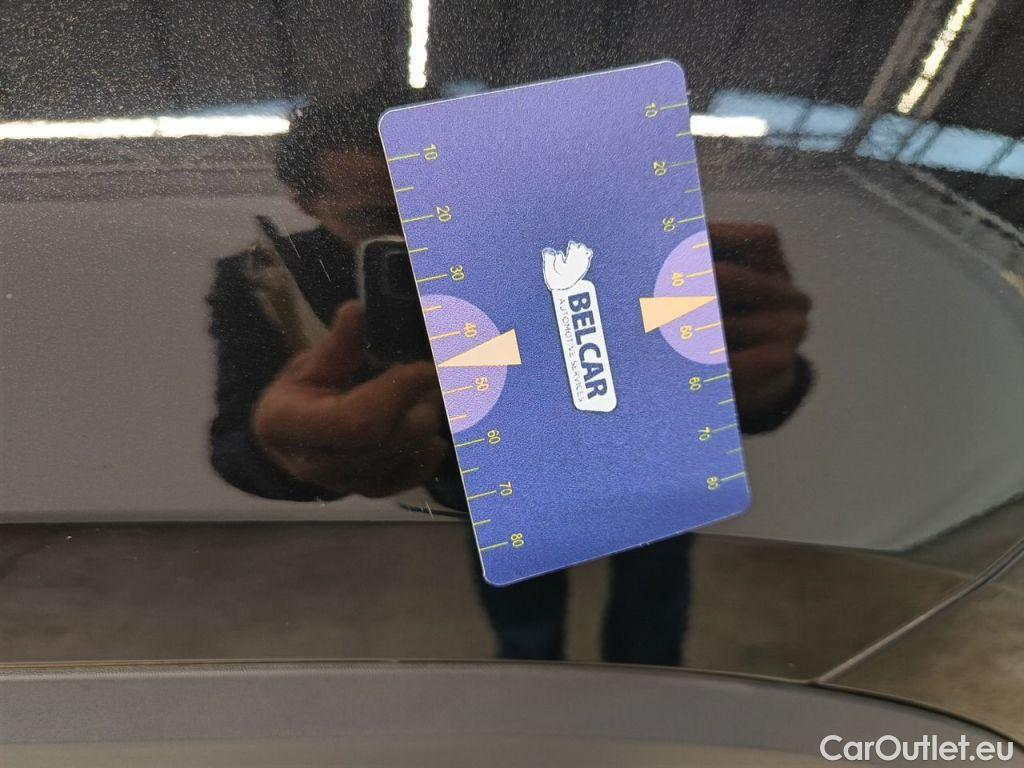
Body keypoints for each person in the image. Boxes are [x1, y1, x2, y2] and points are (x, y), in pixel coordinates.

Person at [207, 87, 813, 664]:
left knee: (649, 604)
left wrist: (760, 379)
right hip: (491, 481)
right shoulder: (266, 279)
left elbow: (747, 386)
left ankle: (625, 685)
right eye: (380, 218)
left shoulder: (571, 231)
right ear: (305, 202)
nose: (426, 233)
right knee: (533, 627)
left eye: (447, 203)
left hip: (628, 457)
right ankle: (552, 684)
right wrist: (289, 452)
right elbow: (237, 440)